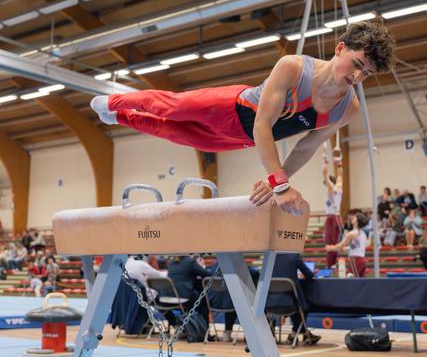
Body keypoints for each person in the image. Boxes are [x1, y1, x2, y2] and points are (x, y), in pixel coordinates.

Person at [91, 20, 395, 212]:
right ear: (340, 48)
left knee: (171, 132)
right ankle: (115, 102)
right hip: (229, 107)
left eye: (366, 73)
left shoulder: (347, 108)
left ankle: (120, 119)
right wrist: (280, 184)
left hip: (239, 140)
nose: (357, 76)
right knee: (170, 107)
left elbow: (307, 146)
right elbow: (263, 123)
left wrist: (278, 179)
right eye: (357, 63)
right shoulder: (293, 67)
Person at [270, 253, 321, 345]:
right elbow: (309, 275)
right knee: (305, 305)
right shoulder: (294, 256)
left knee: (298, 303)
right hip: (290, 303)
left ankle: (305, 334)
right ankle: (294, 334)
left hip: (270, 304)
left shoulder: (270, 257)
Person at [326, 211, 369, 277]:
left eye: (354, 217)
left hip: (355, 260)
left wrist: (331, 248)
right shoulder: (363, 233)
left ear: (356, 221)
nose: (352, 218)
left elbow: (341, 245)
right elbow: (357, 247)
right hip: (362, 260)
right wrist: (345, 248)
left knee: (351, 282)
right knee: (360, 283)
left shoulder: (352, 233)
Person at [322, 156, 343, 268]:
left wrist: (325, 162)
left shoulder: (330, 189)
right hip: (338, 217)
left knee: (330, 244)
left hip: (331, 218)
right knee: (335, 243)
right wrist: (339, 164)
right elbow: (340, 175)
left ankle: (330, 265)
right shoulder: (339, 186)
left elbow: (324, 174)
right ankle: (334, 264)